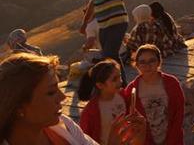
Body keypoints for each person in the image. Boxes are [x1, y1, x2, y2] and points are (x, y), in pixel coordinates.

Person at [0, 52, 146, 145]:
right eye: (51, 92)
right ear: (19, 106)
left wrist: (136, 141)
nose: (63, 97)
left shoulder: (64, 125)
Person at [80, 0, 129, 85]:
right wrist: (84, 23)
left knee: (109, 54)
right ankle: (121, 83)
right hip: (103, 24)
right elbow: (92, 2)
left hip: (117, 23)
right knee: (111, 55)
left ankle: (119, 84)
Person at [126, 45, 184, 145]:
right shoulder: (132, 90)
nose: (147, 65)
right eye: (142, 62)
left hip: (172, 140)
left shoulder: (172, 83)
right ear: (137, 65)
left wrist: (171, 141)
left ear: (159, 62)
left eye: (152, 61)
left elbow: (179, 114)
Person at [79, 60, 129, 145]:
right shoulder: (91, 111)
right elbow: (84, 139)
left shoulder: (123, 96)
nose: (120, 81)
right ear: (100, 85)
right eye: (114, 79)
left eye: (120, 76)